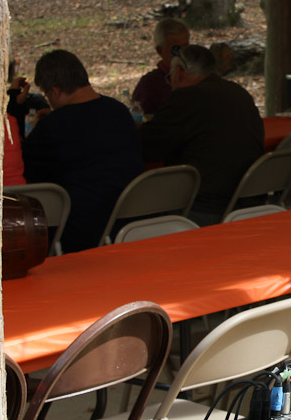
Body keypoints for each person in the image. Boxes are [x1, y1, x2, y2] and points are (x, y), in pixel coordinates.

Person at [23, 50, 144, 253]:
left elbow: (26, 170)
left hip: (80, 231)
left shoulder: (54, 126)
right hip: (131, 221)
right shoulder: (119, 111)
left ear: (55, 91)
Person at [140, 44, 264, 226]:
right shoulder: (238, 92)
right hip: (248, 204)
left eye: (170, 76)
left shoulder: (185, 98)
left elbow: (149, 147)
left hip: (201, 208)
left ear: (179, 72)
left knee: (132, 208)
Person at [132, 18, 191, 115]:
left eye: (186, 48)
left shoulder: (198, 76)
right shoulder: (150, 85)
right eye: (176, 50)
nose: (183, 54)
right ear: (160, 51)